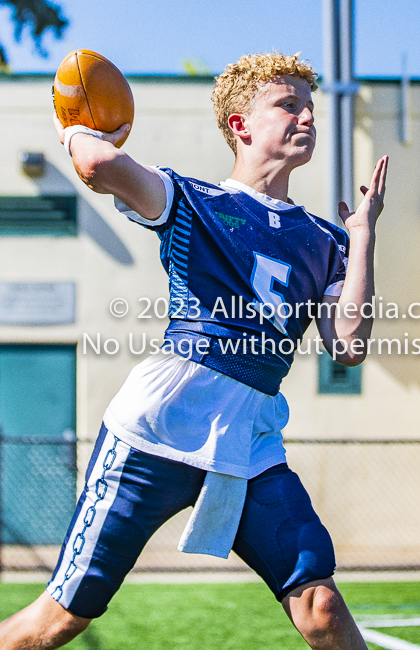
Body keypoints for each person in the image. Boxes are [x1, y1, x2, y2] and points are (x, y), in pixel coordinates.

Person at [0, 52, 387, 650]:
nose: (306, 115)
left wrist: (362, 237)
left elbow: (349, 346)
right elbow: (99, 163)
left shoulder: (328, 240)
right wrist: (77, 124)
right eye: (288, 104)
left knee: (321, 606)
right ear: (240, 125)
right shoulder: (193, 199)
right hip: (159, 426)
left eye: (309, 105)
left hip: (249, 438)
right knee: (60, 620)